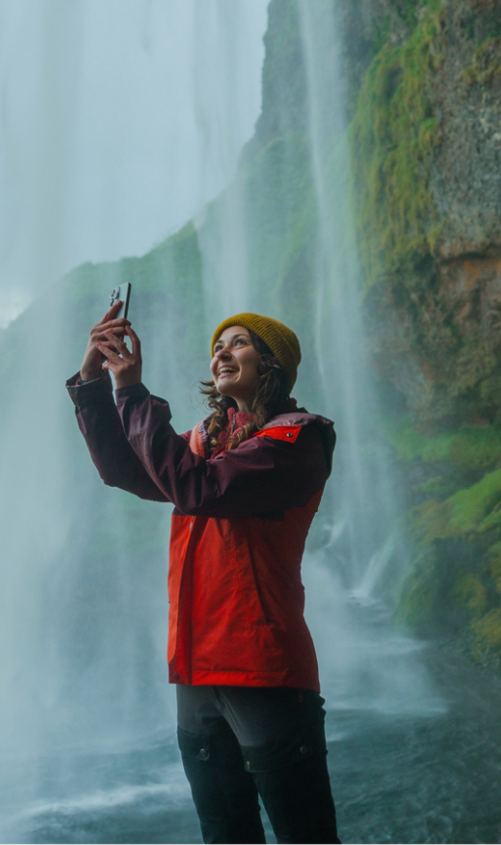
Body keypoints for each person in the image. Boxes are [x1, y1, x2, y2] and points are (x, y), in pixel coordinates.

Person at [68, 302, 340, 844]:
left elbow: (199, 490)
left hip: (263, 669)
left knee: (304, 835)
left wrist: (133, 392)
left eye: (239, 343)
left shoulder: (298, 440)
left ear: (272, 366)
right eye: (219, 344)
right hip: (195, 671)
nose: (222, 351)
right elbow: (126, 469)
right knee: (224, 835)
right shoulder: (208, 440)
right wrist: (94, 381)